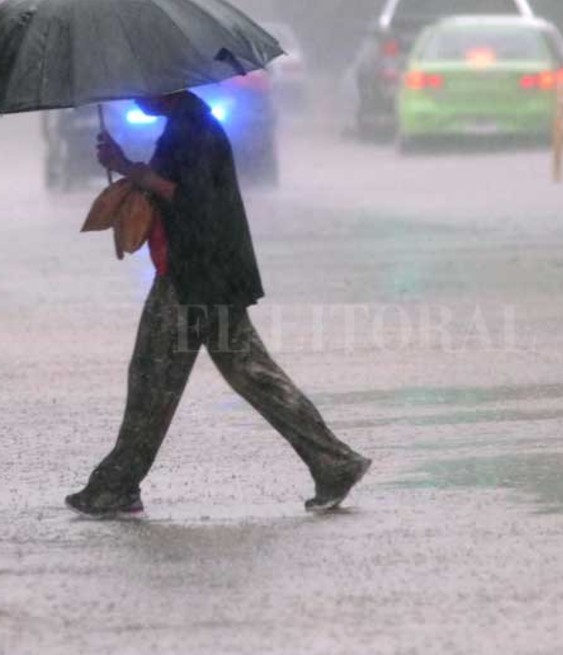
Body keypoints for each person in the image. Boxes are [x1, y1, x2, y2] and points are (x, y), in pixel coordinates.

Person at [66, 90, 371, 519]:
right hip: (204, 274)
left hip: (196, 278)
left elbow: (191, 199)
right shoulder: (187, 126)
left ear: (167, 84)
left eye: (143, 86)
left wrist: (130, 170)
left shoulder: (194, 130)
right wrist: (129, 168)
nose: (135, 95)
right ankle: (333, 463)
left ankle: (116, 486)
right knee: (242, 375)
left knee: (159, 377)